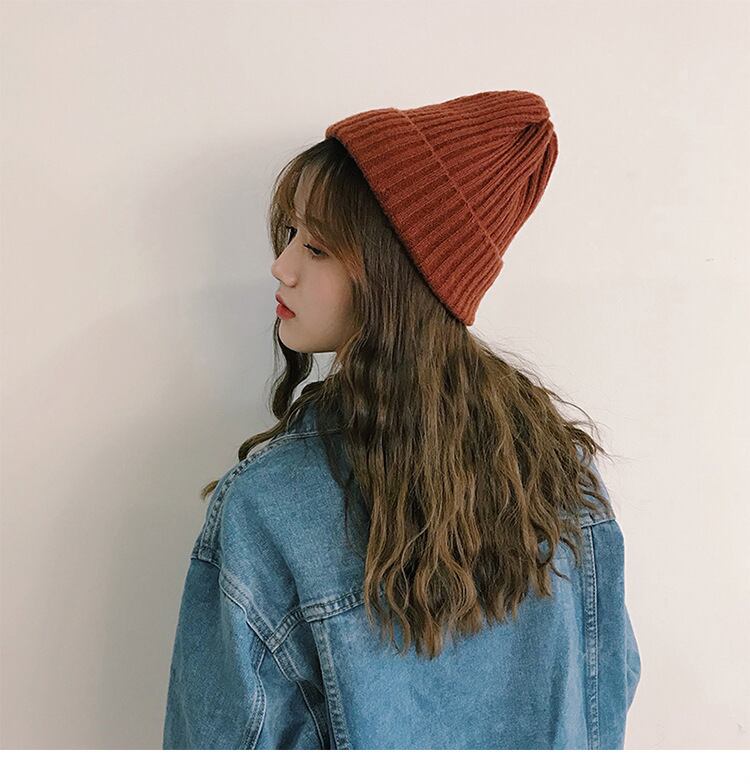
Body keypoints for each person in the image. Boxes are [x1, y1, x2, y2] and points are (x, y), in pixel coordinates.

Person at [162, 90, 641, 750]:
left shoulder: (268, 507)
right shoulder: (558, 473)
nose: (282, 266)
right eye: (291, 235)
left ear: (397, 276)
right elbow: (605, 704)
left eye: (317, 247)